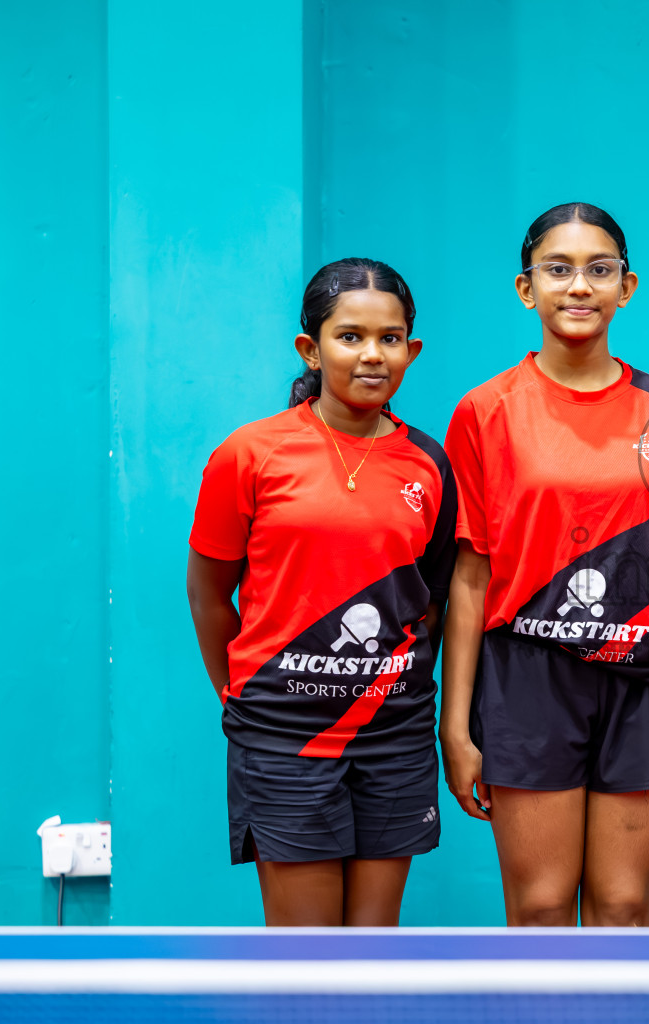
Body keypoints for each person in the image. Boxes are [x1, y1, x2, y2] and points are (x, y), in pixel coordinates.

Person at [440, 202, 649, 926]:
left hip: (648, 684)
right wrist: (454, 725)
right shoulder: (485, 411)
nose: (579, 286)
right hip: (526, 682)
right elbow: (469, 577)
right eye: (559, 270)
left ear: (629, 286)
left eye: (599, 270)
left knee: (623, 906)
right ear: (527, 289)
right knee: (542, 906)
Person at [187, 258, 456, 926]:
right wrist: (247, 696)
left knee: (371, 953)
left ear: (411, 350)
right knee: (307, 959)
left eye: (390, 339)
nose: (372, 355)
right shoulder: (249, 455)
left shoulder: (430, 465)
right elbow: (208, 594)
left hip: (394, 737)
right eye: (350, 336)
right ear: (311, 347)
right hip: (284, 739)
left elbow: (431, 604)